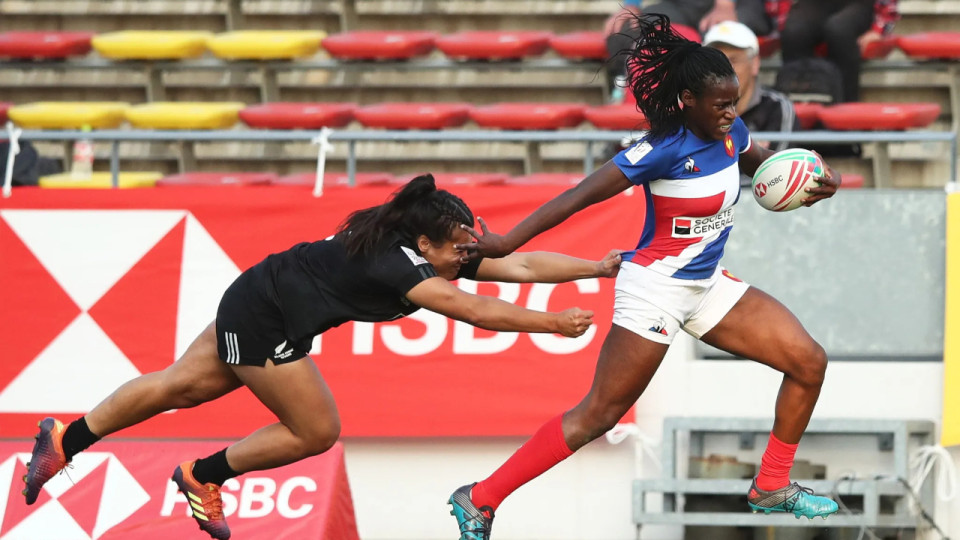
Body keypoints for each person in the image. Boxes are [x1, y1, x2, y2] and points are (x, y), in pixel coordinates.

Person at [21, 174, 623, 540]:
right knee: (315, 430)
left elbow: (518, 263)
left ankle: (63, 440)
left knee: (181, 386)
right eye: (461, 248)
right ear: (424, 244)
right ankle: (203, 475)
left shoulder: (436, 242)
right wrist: (550, 322)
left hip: (264, 293)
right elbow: (475, 311)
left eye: (471, 243)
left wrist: (594, 267)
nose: (469, 254)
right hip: (265, 316)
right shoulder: (401, 264)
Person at [448, 14, 842, 540]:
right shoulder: (661, 148)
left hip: (707, 287)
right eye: (721, 103)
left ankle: (771, 485)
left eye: (734, 99)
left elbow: (770, 167)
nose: (732, 111)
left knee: (808, 362)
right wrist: (507, 242)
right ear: (685, 101)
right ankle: (479, 498)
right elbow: (576, 197)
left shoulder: (732, 131)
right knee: (598, 416)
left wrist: (814, 179)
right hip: (655, 290)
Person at [703, 20, 798, 184]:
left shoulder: (778, 108)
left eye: (733, 60)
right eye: (715, 61)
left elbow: (777, 175)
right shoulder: (694, 110)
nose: (722, 69)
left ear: (754, 64)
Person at [779, 0, 900, 103]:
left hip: (860, 4)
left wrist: (880, 27)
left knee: (839, 30)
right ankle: (796, 109)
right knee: (794, 32)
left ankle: (845, 112)